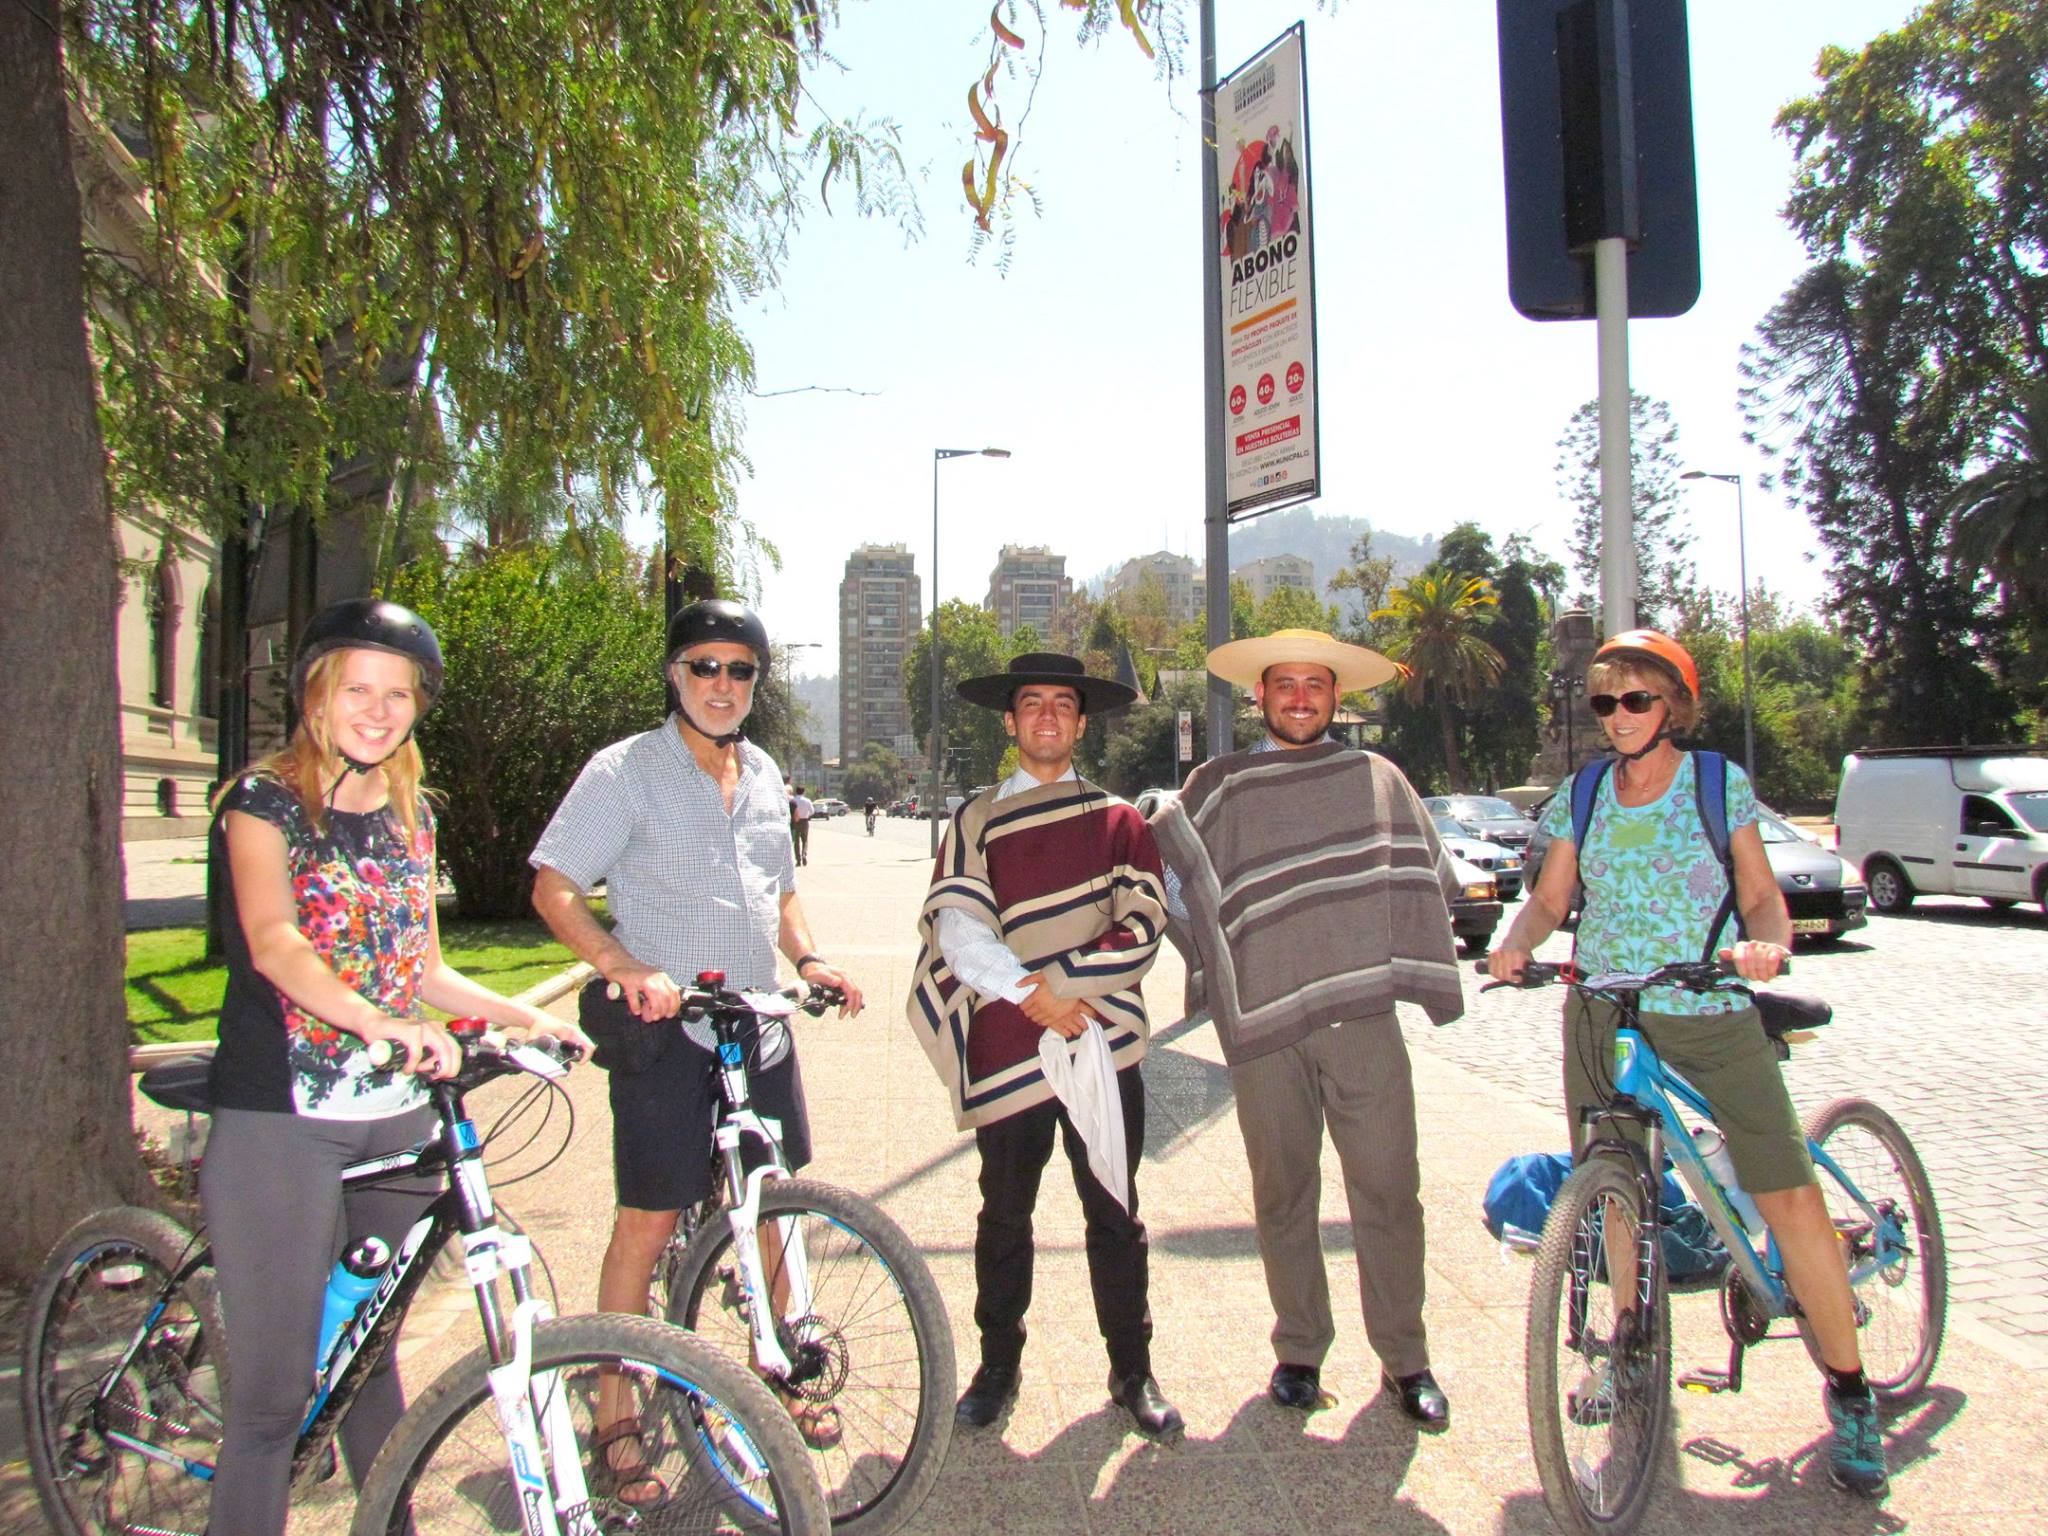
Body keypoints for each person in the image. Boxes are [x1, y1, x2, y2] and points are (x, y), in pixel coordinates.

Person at [202, 599, 590, 1534]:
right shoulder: (260, 805)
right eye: (356, 690)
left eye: (398, 694)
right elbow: (276, 943)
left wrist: (521, 1017)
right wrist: (381, 1019)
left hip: (392, 1118)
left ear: (419, 708)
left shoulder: (413, 815)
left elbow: (423, 966)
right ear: (314, 695)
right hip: (281, 1122)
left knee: (371, 1368)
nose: (376, 711)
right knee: (270, 1400)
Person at [1487, 629, 1890, 1496]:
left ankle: (1852, 1393)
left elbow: (1757, 894)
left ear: (1673, 705)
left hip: (1705, 1005)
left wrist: (1765, 947)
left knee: (1784, 1190)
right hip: (1602, 1007)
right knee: (1614, 1184)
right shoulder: (1585, 791)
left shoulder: (1716, 783)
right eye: (1606, 701)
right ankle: (1631, 1349)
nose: (1620, 715)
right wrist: (1514, 944)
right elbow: (1553, 899)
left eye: (1637, 698)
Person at [530, 598, 863, 1485]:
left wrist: (814, 956)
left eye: (740, 669)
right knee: (647, 1219)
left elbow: (779, 887)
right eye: (704, 666)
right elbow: (555, 887)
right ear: (675, 674)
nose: (722, 684)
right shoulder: (625, 772)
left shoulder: (761, 773)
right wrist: (621, 965)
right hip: (664, 1031)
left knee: (771, 1204)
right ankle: (616, 1410)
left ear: (757, 682)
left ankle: (780, 1370)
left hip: (754, 1024)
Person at [1150, 628, 1463, 1430]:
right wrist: (1216, 959)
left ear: (1335, 696)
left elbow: (1430, 878)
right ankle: (1299, 1351)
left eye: (1313, 685)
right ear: (1260, 695)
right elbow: (1169, 875)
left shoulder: (1380, 779)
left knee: (1391, 1189)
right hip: (1266, 1030)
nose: (1298, 697)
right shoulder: (1224, 786)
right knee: (1283, 1192)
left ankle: (1406, 1359)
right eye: (1282, 684)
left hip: (1364, 1020)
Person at [904, 653, 1182, 1440]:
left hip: (1101, 1039)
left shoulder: (1120, 819)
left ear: (1082, 721)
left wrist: (1067, 989)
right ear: (1011, 721)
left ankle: (1133, 1369)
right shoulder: (977, 819)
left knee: (1115, 1210)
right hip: (1011, 1040)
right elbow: (958, 929)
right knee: (1004, 1214)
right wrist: (1034, 996)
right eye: (1033, 705)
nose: (1050, 717)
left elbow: (1144, 921)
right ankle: (998, 1368)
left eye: (1064, 704)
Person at [789, 780, 814, 866]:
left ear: (796, 791)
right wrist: (806, 814)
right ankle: (804, 855)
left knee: (796, 842)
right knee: (805, 840)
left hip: (795, 822)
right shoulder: (807, 801)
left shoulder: (793, 800)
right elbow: (812, 811)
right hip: (805, 821)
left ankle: (798, 860)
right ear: (803, 792)